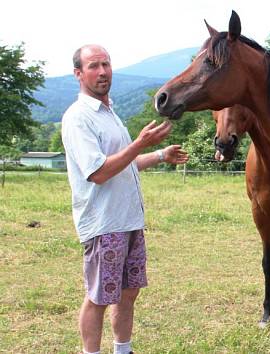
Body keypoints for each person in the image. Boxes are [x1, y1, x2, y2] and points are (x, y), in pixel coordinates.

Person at [61, 44, 188, 354]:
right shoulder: (78, 118)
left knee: (128, 292)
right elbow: (99, 172)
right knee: (98, 297)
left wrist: (159, 154)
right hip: (104, 224)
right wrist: (141, 142)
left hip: (129, 220)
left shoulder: (109, 112)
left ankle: (123, 349)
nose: (102, 71)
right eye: (93, 66)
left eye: (106, 64)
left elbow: (123, 164)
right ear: (79, 74)